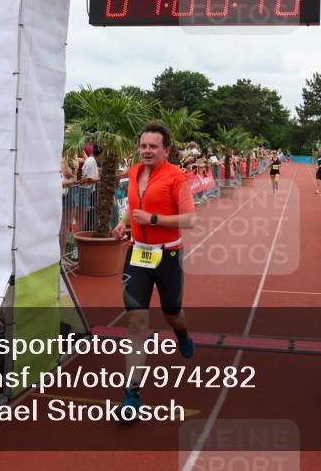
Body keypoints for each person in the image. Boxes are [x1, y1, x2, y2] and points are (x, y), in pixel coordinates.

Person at [111, 123, 197, 421]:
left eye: (153, 146)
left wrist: (153, 219)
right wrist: (123, 222)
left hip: (168, 256)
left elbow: (190, 220)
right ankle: (131, 394)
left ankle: (181, 332)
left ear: (166, 150)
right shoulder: (134, 172)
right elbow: (134, 206)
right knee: (137, 322)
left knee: (173, 313)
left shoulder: (176, 177)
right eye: (143, 145)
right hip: (137, 254)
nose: (147, 150)